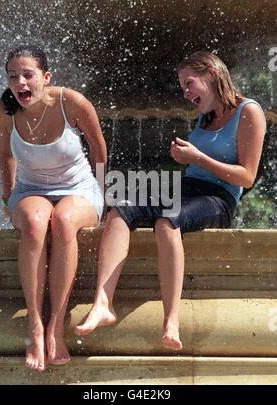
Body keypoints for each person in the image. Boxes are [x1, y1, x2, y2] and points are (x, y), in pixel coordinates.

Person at [75, 51, 266, 350]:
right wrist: (184, 158)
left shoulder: (249, 111)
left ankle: (171, 320)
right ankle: (102, 303)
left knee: (167, 221)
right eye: (182, 87)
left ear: (211, 75)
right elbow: (197, 165)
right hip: (189, 186)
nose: (185, 93)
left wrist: (197, 156)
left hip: (220, 197)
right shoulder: (206, 116)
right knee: (120, 209)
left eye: (189, 84)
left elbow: (246, 177)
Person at [0, 45, 107, 371]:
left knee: (64, 219)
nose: (20, 82)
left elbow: (99, 148)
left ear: (45, 77)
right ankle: (35, 324)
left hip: (79, 188)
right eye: (13, 76)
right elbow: (6, 154)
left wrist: (102, 192)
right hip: (31, 189)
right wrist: (7, 196)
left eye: (27, 74)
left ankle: (56, 324)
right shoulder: (4, 110)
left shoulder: (71, 102)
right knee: (33, 220)